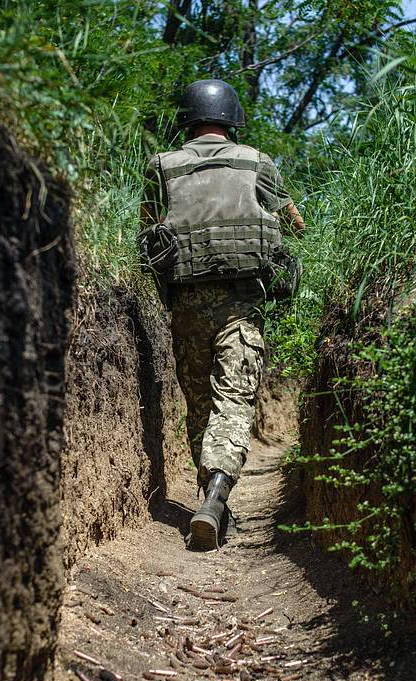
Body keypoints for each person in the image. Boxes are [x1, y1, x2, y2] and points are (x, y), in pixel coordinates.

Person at [138, 79, 305, 551]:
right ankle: (217, 494)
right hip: (242, 302)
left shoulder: (161, 166)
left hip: (185, 305)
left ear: (187, 119)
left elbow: (147, 233)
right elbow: (297, 225)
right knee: (233, 399)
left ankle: (211, 499)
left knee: (199, 405)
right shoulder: (256, 161)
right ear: (232, 119)